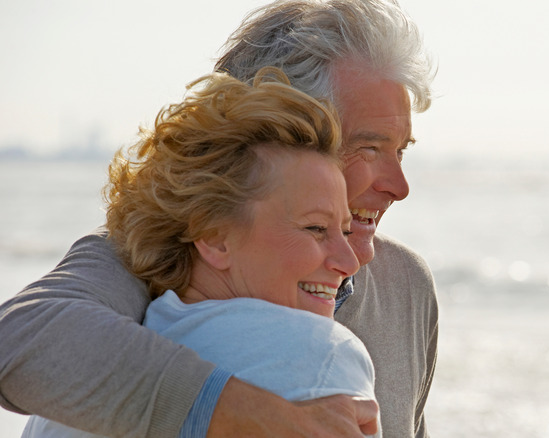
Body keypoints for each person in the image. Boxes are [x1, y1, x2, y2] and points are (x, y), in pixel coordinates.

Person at [0, 0, 437, 437]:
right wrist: (257, 416)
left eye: (400, 150)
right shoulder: (147, 250)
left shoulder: (407, 286)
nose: (400, 185)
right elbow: (18, 343)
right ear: (272, 128)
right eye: (368, 147)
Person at [21, 69, 380, 438]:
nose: (349, 262)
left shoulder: (71, 387)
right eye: (316, 229)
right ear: (214, 238)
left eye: (346, 230)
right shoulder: (320, 355)